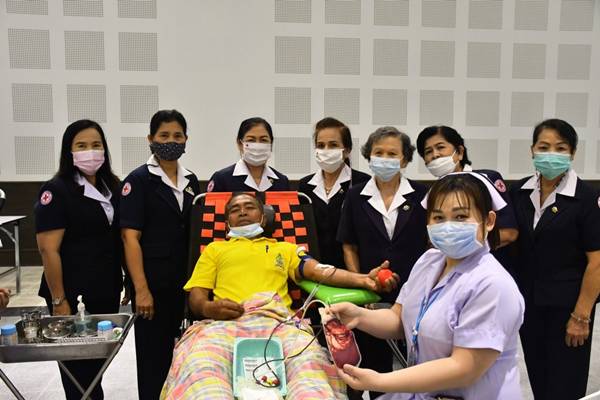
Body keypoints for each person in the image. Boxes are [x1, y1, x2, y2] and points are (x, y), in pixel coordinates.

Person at [161, 192, 398, 399]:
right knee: (200, 368)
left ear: (263, 218)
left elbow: (320, 271)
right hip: (224, 325)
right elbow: (197, 296)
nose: (242, 212)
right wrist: (208, 308)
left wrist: (364, 279)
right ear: (226, 223)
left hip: (280, 324)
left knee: (310, 368)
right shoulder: (215, 250)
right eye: (234, 209)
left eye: (250, 207)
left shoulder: (285, 249)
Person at [331, 173, 525, 399]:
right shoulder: (429, 261)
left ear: (489, 221)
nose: (448, 227)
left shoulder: (492, 284)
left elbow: (464, 368)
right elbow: (399, 318)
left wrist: (380, 381)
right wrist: (359, 316)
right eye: (439, 217)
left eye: (461, 217)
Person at [509, 118, 600, 400]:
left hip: (568, 310)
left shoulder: (587, 198)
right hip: (530, 306)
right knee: (540, 381)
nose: (551, 154)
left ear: (572, 153)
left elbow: (597, 263)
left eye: (560, 148)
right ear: (532, 150)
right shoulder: (519, 192)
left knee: (565, 387)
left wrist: (581, 316)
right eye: (543, 146)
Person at [34, 119, 124, 400]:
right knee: (77, 371)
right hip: (71, 295)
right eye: (81, 146)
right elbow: (48, 250)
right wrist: (59, 300)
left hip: (105, 290)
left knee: (97, 366)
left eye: (96, 145)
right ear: (69, 151)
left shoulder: (113, 187)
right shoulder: (57, 190)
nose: (90, 151)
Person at [337, 126, 428, 399]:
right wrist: (361, 282)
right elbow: (349, 245)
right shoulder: (355, 195)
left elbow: (430, 244)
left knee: (413, 363)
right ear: (369, 156)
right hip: (370, 291)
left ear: (405, 159)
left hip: (413, 290)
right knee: (373, 361)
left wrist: (421, 282)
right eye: (379, 153)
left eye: (392, 154)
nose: (385, 159)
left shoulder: (421, 194)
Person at [120, 109, 201, 400]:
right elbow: (129, 238)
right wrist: (140, 289)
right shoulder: (138, 181)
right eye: (164, 135)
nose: (171, 141)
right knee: (153, 360)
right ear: (150, 139)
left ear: (186, 139)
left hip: (186, 283)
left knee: (185, 357)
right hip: (152, 286)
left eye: (177, 136)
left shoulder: (191, 180)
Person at [416, 125, 518, 269]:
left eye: (440, 147)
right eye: (428, 151)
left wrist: (466, 247)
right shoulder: (431, 193)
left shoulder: (487, 179)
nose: (435, 155)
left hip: (487, 265)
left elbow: (510, 233)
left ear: (460, 152)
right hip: (448, 267)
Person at [298, 117, 370, 267]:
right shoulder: (305, 186)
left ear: (347, 150)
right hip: (314, 269)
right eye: (321, 145)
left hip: (353, 269)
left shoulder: (362, 183)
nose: (326, 150)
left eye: (333, 145)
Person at [207, 117, 289, 192]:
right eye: (251, 140)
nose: (257, 145)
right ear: (240, 144)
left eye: (263, 140)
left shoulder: (282, 181)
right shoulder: (221, 179)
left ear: (271, 144)